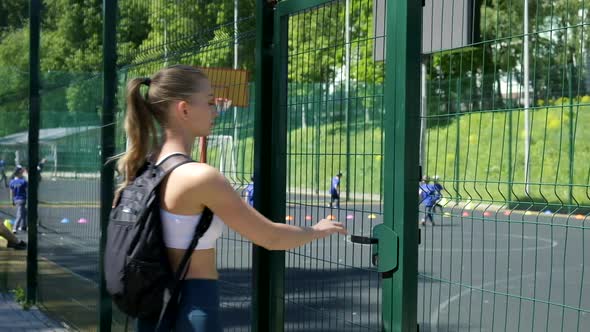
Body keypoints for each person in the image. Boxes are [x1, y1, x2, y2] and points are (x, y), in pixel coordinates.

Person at [117, 65, 347, 332]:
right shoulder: (199, 177)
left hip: (151, 309)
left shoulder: (141, 168)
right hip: (192, 308)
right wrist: (316, 230)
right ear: (184, 109)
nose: (216, 111)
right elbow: (270, 238)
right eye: (210, 102)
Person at [9, 166, 27, 233]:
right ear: (19, 173)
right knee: (19, 214)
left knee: (24, 212)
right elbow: (28, 187)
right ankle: (15, 228)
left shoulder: (12, 182)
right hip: (22, 199)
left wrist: (12, 201)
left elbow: (11, 192)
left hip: (16, 200)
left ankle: (24, 226)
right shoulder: (23, 181)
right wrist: (26, 175)